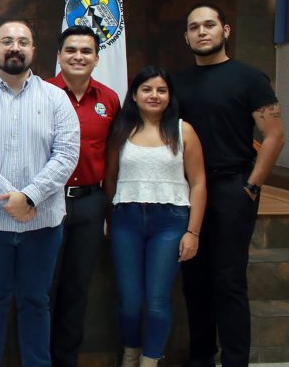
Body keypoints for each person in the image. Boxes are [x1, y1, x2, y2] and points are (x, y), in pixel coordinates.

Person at [175, 3, 285, 367]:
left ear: (226, 30)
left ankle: (235, 361)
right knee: (194, 281)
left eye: (209, 25)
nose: (202, 32)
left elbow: (274, 136)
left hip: (231, 188)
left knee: (229, 281)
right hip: (188, 190)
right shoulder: (176, 82)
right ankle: (201, 359)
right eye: (194, 27)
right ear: (187, 36)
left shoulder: (249, 78)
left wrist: (252, 187)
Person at [0, 20, 79, 367]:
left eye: (22, 41)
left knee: (35, 302)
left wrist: (29, 197)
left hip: (42, 225)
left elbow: (67, 155)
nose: (14, 47)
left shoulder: (56, 98)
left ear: (34, 49)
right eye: (6, 41)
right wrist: (11, 198)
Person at [104, 66, 206, 367]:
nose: (154, 95)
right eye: (146, 89)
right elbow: (109, 179)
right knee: (130, 303)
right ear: (134, 95)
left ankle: (150, 361)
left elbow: (199, 183)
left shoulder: (182, 130)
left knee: (158, 302)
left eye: (161, 90)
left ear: (170, 96)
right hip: (127, 221)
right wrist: (113, 217)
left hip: (170, 222)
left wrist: (193, 232)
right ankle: (130, 354)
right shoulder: (121, 129)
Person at [46, 25, 120, 367]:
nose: (78, 56)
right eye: (71, 50)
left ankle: (66, 360)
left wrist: (108, 208)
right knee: (44, 288)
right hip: (48, 201)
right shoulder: (42, 93)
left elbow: (113, 155)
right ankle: (38, 358)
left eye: (86, 51)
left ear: (96, 58)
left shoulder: (109, 100)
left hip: (90, 202)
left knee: (76, 289)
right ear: (59, 56)